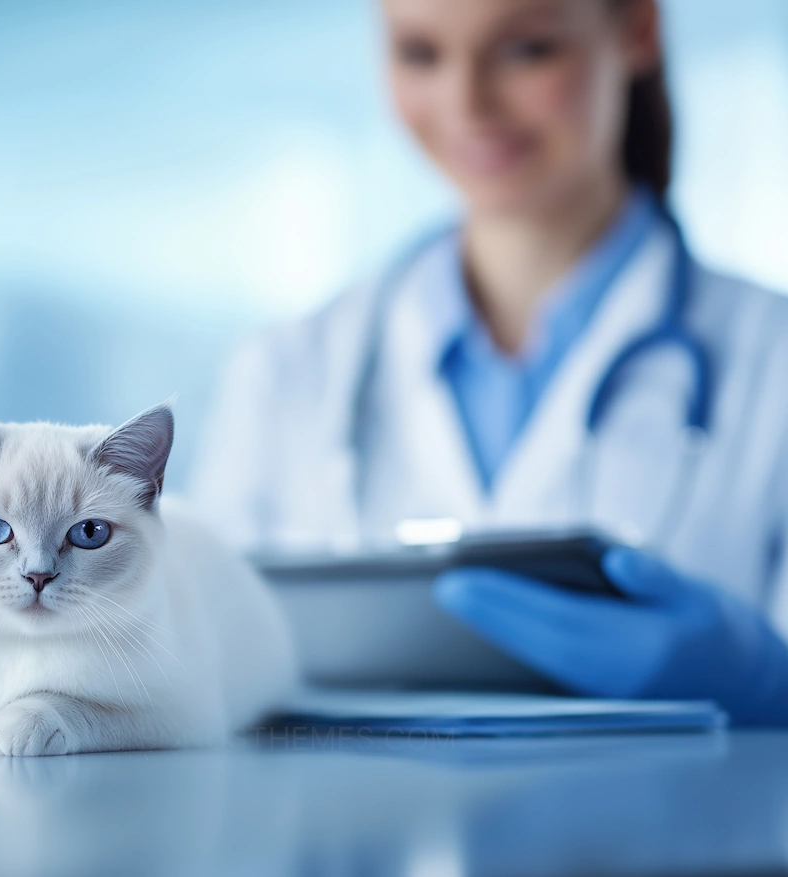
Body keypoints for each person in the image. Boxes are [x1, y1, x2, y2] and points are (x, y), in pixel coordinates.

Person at [189, 0, 788, 724]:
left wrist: (767, 684)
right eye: (420, 54)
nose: (465, 103)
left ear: (636, 30)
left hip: (692, 836)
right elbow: (192, 663)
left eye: (527, 50)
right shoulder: (288, 370)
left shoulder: (768, 356)